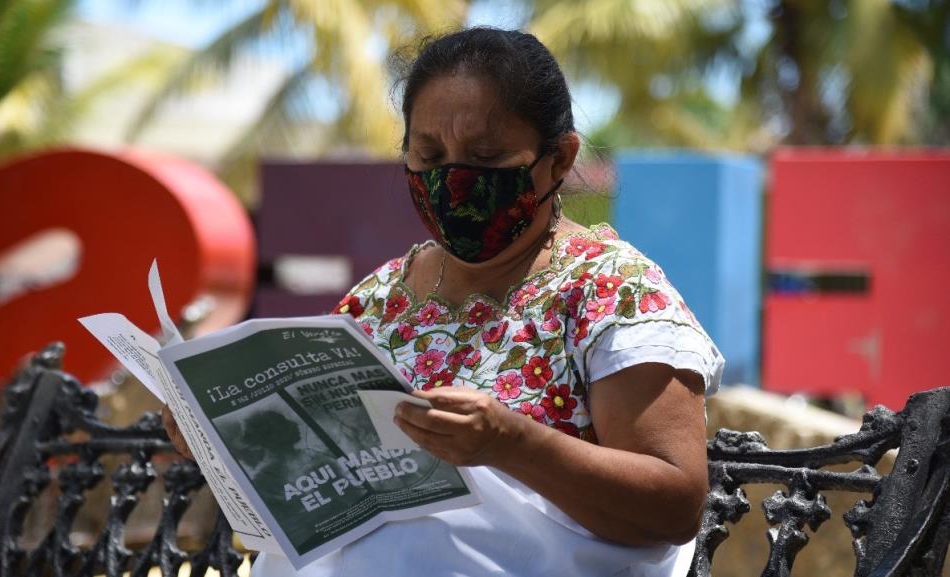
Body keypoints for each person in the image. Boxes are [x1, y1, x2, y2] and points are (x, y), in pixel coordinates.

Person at [165, 26, 724, 577]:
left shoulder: (611, 289)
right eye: (429, 156)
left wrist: (514, 443)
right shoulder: (378, 299)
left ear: (558, 159)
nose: (453, 181)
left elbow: (673, 505)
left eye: (485, 156)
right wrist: (223, 441)